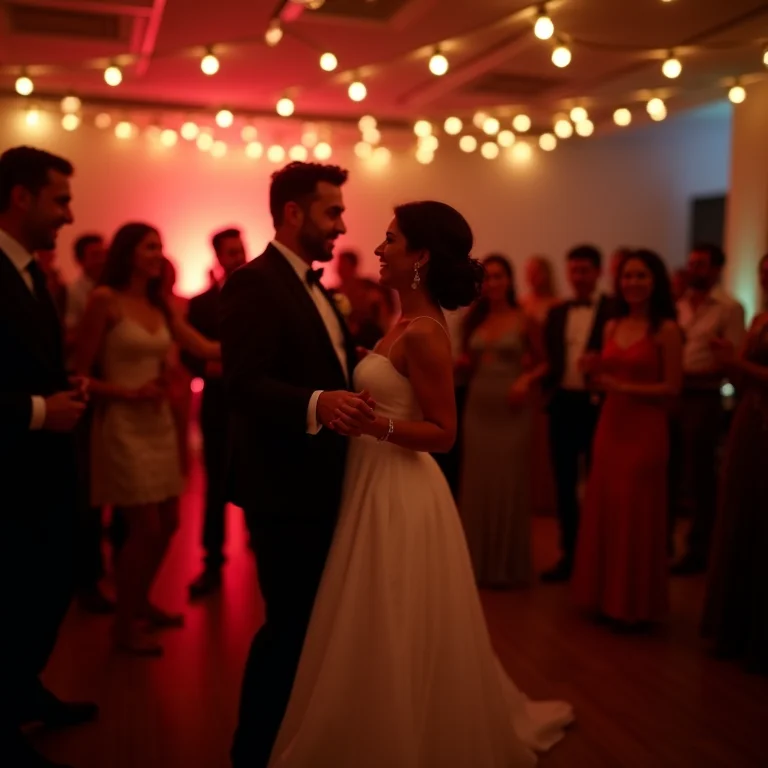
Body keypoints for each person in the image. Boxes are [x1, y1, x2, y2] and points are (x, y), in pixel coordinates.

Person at [266, 202, 573, 767]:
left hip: (400, 490)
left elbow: (444, 434)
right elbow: (400, 390)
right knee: (370, 615)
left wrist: (375, 422)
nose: (380, 250)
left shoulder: (427, 330)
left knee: (392, 614)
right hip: (373, 478)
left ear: (421, 255)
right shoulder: (402, 319)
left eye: (391, 240)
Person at [220, 162, 367, 768]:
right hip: (284, 487)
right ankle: (251, 752)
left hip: (323, 482)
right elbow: (244, 384)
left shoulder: (315, 286)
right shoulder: (255, 283)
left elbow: (324, 363)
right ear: (292, 214)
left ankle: (299, 738)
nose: (342, 223)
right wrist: (318, 402)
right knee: (288, 625)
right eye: (332, 211)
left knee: (312, 624)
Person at [75, 223, 221, 656]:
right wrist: (128, 392)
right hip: (121, 423)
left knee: (170, 524)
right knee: (145, 527)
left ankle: (140, 601)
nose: (158, 254)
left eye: (160, 246)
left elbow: (207, 348)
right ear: (129, 253)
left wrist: (257, 342)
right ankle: (123, 624)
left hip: (158, 422)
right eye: (149, 247)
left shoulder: (159, 305)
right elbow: (79, 375)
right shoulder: (105, 300)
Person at [0, 146, 97, 768]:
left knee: (47, 585)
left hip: (42, 470)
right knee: (13, 595)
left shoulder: (31, 273)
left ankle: (23, 688)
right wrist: (40, 411)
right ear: (21, 197)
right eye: (59, 199)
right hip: (9, 469)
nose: (68, 214)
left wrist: (65, 389)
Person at [572, 250, 682, 627]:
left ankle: (633, 604)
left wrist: (623, 385)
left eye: (642, 276)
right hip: (611, 425)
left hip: (645, 429)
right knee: (606, 507)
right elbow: (604, 379)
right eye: (628, 276)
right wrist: (592, 369)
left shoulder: (666, 329)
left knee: (636, 512)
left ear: (656, 281)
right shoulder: (611, 326)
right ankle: (605, 597)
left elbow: (672, 388)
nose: (633, 283)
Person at [458, 254, 547, 588]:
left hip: (512, 411)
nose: (493, 283)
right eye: (488, 278)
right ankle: (476, 564)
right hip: (479, 408)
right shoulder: (474, 320)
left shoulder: (526, 319)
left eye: (499, 276)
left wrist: (525, 380)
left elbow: (545, 363)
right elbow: (469, 362)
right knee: (478, 485)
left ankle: (506, 567)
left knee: (508, 484)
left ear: (510, 280)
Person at [701, 254, 768, 674]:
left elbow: (747, 369)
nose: (765, 279)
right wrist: (732, 361)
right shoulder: (760, 319)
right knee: (741, 517)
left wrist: (737, 363)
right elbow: (744, 376)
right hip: (750, 420)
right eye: (763, 273)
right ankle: (737, 629)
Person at [541, 245, 616, 582]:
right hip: (563, 404)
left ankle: (600, 558)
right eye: (573, 270)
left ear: (598, 273)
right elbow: (550, 358)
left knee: (602, 483)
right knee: (564, 483)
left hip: (600, 406)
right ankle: (569, 554)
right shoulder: (557, 313)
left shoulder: (615, 310)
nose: (579, 277)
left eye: (585, 270)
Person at [671, 243, 745, 574]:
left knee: (700, 474)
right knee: (671, 471)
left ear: (717, 269)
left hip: (703, 397)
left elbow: (731, 361)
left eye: (701, 264)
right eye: (691, 263)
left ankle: (700, 550)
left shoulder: (729, 309)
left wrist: (685, 374)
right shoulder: (678, 305)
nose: (694, 270)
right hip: (672, 395)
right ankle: (664, 543)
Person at [183, 227, 247, 599]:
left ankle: (257, 542)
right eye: (230, 252)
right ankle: (212, 561)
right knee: (215, 486)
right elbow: (188, 355)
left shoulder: (262, 295)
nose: (237, 258)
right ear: (217, 257)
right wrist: (208, 369)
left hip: (255, 407)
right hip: (218, 403)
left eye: (241, 250)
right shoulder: (201, 304)